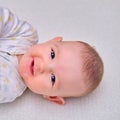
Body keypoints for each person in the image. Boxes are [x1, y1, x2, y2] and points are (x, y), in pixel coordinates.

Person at [0, 7, 104, 105]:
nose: (43, 66)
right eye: (52, 54)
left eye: (53, 78)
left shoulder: (9, 87)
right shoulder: (26, 35)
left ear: (52, 96)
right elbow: (4, 18)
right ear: (53, 41)